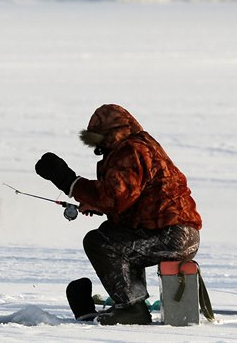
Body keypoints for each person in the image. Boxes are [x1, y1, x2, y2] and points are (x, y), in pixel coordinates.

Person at [35, 104, 202, 325]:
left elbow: (115, 197)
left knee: (99, 243)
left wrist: (69, 182)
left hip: (172, 235)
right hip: (175, 232)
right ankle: (130, 302)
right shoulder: (138, 146)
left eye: (99, 138)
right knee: (112, 235)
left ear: (112, 133)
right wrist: (97, 205)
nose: (98, 145)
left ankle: (132, 307)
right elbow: (130, 201)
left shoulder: (131, 150)